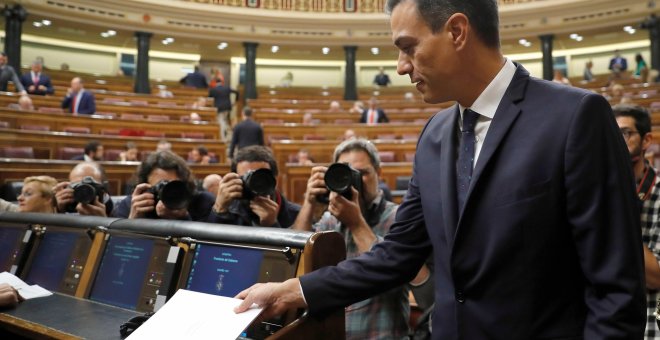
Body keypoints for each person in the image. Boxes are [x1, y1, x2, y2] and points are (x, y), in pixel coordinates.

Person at [235, 0, 646, 338]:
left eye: (408, 47)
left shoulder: (575, 117)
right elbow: (397, 254)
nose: (400, 66)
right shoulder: (435, 134)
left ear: (457, 31)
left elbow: (616, 292)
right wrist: (296, 289)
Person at [292, 139, 414, 339]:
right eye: (347, 174)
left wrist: (356, 223)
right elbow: (297, 261)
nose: (355, 180)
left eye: (363, 173)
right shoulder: (330, 220)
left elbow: (394, 276)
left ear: (379, 173)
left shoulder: (399, 218)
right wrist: (308, 203)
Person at [613, 105, 660, 339]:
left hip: (651, 323)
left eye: (624, 133)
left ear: (646, 140)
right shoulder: (593, 193)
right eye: (610, 134)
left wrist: (619, 213)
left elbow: (656, 278)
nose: (615, 140)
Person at [112, 150, 216, 221]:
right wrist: (134, 222)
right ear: (146, 188)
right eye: (160, 186)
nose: (167, 192)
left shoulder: (202, 202)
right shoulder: (132, 205)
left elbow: (207, 248)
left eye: (173, 186)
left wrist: (184, 218)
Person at [212, 146, 300, 228]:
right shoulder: (228, 208)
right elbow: (208, 242)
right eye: (246, 178)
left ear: (275, 179)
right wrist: (219, 210)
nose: (254, 184)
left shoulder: (296, 215)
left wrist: (272, 225)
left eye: (259, 177)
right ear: (235, 178)